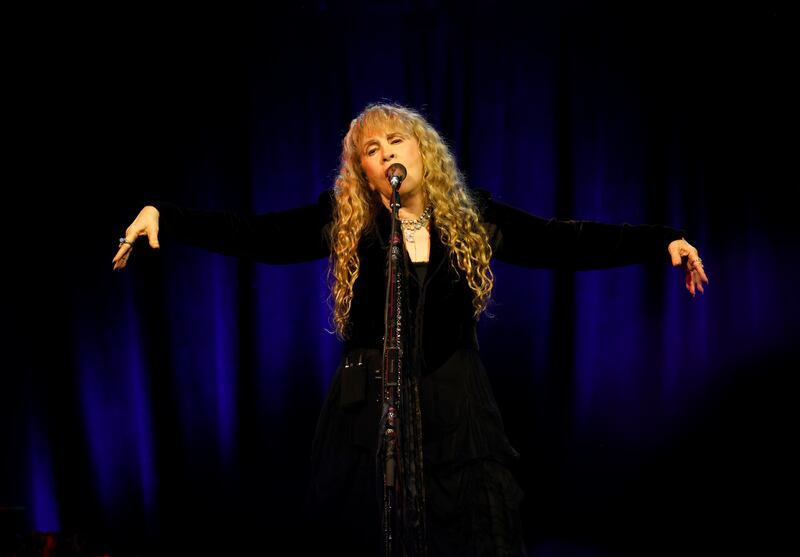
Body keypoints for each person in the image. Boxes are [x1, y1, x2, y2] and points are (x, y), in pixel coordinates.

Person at [112, 103, 708, 556]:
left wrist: (659, 243)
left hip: (455, 405)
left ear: (424, 152)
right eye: (371, 148)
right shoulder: (347, 224)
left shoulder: (476, 219)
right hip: (367, 406)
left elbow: (562, 240)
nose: (386, 152)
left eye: (397, 140)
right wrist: (169, 216)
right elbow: (259, 234)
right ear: (364, 171)